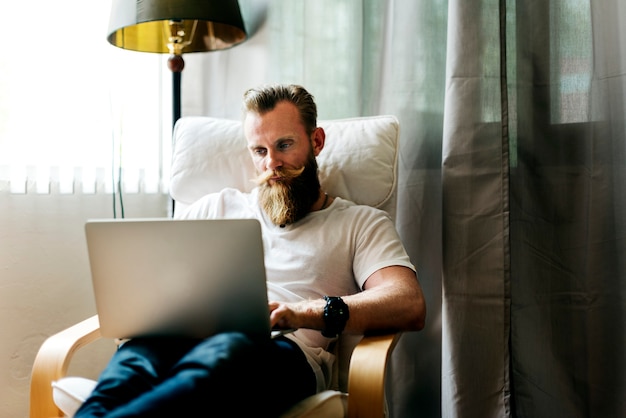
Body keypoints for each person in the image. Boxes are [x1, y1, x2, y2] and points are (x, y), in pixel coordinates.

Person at [75, 84, 426, 417]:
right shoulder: (215, 207)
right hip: (184, 339)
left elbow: (407, 302)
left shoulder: (361, 223)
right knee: (134, 360)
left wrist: (302, 313)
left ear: (316, 141)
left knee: (224, 353)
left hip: (281, 354)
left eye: (284, 144)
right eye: (260, 151)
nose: (272, 163)